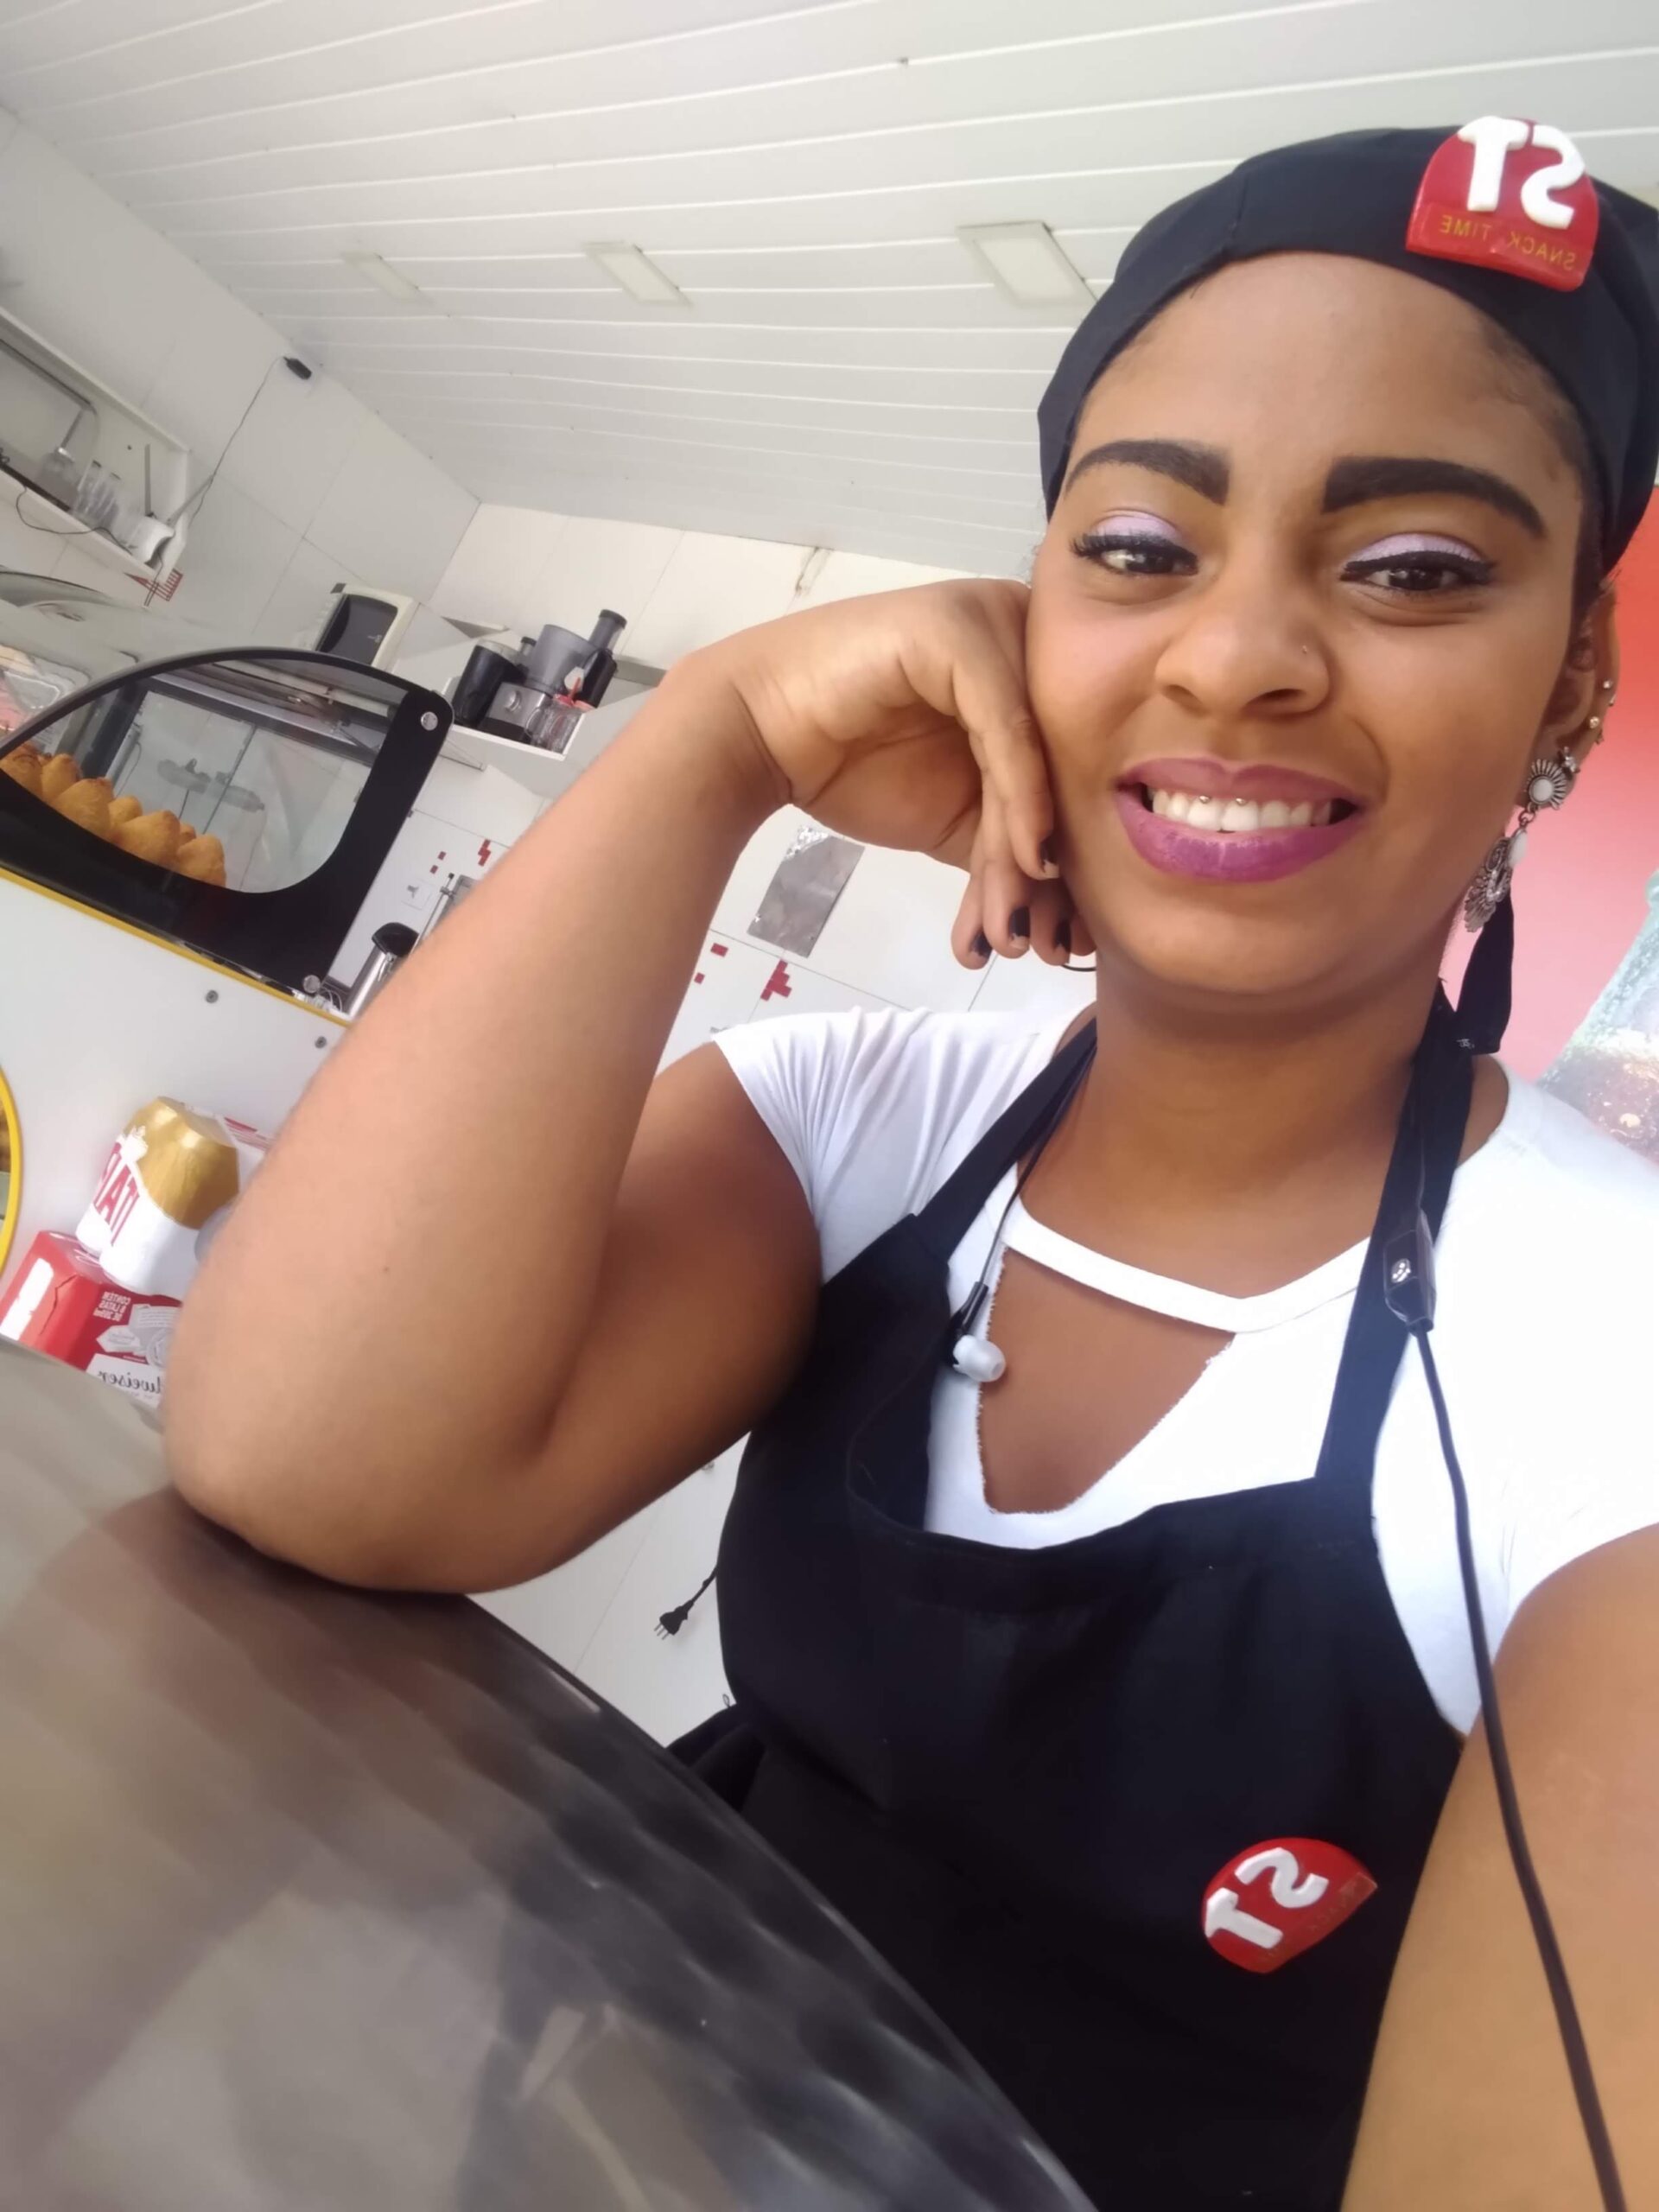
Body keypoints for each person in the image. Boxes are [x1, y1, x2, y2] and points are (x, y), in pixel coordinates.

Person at [166, 126, 1659, 2210]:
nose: (1235, 655)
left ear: (1571, 674)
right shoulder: (858, 1113)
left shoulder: (1614, 1373)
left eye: (1414, 568)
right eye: (1137, 546)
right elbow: (308, 1460)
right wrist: (713, 742)